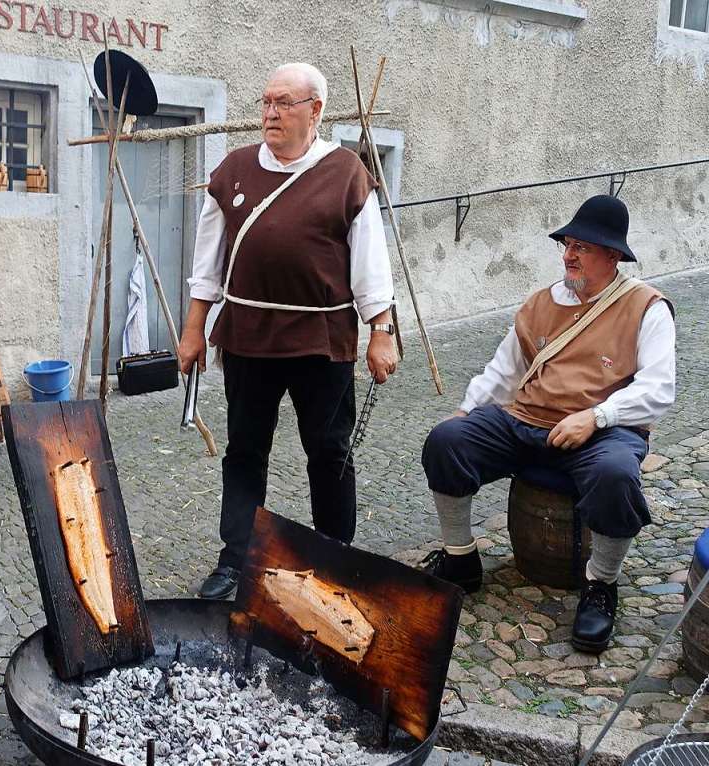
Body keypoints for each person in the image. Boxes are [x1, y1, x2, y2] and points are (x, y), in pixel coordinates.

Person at [177, 62, 399, 600]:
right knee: (245, 450)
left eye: (284, 103)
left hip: (321, 342)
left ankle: (333, 558)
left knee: (328, 451)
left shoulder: (346, 173)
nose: (270, 113)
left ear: (315, 111)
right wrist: (193, 329)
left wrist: (382, 330)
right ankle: (237, 558)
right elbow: (207, 261)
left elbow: (371, 261)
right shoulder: (231, 170)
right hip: (248, 333)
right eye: (266, 102)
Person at [420, 194, 676, 654]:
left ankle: (601, 585)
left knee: (616, 474)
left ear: (613, 256)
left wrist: (596, 417)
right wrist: (467, 408)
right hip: (527, 421)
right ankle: (460, 559)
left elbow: (659, 390)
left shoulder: (646, 307)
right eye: (568, 243)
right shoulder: (541, 303)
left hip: (602, 432)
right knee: (447, 441)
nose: (569, 254)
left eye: (583, 246)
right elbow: (504, 370)